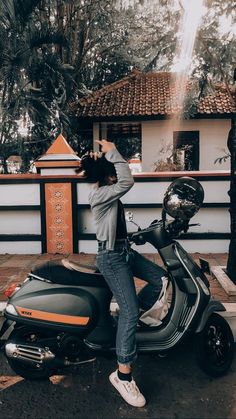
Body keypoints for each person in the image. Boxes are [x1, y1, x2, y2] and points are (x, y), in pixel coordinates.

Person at [77, 139, 168, 408]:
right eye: (113, 170)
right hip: (112, 259)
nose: (117, 173)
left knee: (161, 279)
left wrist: (134, 236)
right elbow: (128, 181)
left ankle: (130, 323)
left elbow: (116, 226)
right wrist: (113, 151)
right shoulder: (100, 194)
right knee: (128, 312)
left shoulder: (106, 193)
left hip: (124, 251)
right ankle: (122, 375)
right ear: (106, 174)